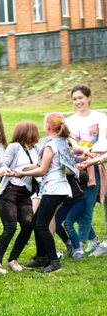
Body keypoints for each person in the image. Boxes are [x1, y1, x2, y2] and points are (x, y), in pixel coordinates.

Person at [11, 113, 78, 273]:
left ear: (48, 126)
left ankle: (53, 262)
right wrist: (23, 168)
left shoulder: (50, 145)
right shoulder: (61, 142)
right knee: (36, 221)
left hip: (54, 189)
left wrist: (23, 174)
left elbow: (42, 170)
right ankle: (42, 257)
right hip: (59, 188)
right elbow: (41, 164)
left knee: (41, 225)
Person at [0, 122, 39, 273]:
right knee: (10, 227)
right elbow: (3, 165)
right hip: (9, 193)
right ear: (28, 133)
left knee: (28, 225)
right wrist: (7, 171)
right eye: (35, 132)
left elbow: (41, 166)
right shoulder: (15, 147)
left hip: (25, 193)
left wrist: (24, 170)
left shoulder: (37, 149)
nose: (38, 135)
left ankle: (13, 259)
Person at [66, 84, 107, 253]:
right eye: (75, 99)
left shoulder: (100, 118)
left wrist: (89, 156)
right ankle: (93, 238)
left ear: (89, 98)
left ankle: (80, 244)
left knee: (88, 206)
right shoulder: (69, 121)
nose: (78, 102)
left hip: (96, 166)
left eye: (81, 98)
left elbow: (103, 141)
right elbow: (69, 144)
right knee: (78, 206)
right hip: (76, 169)